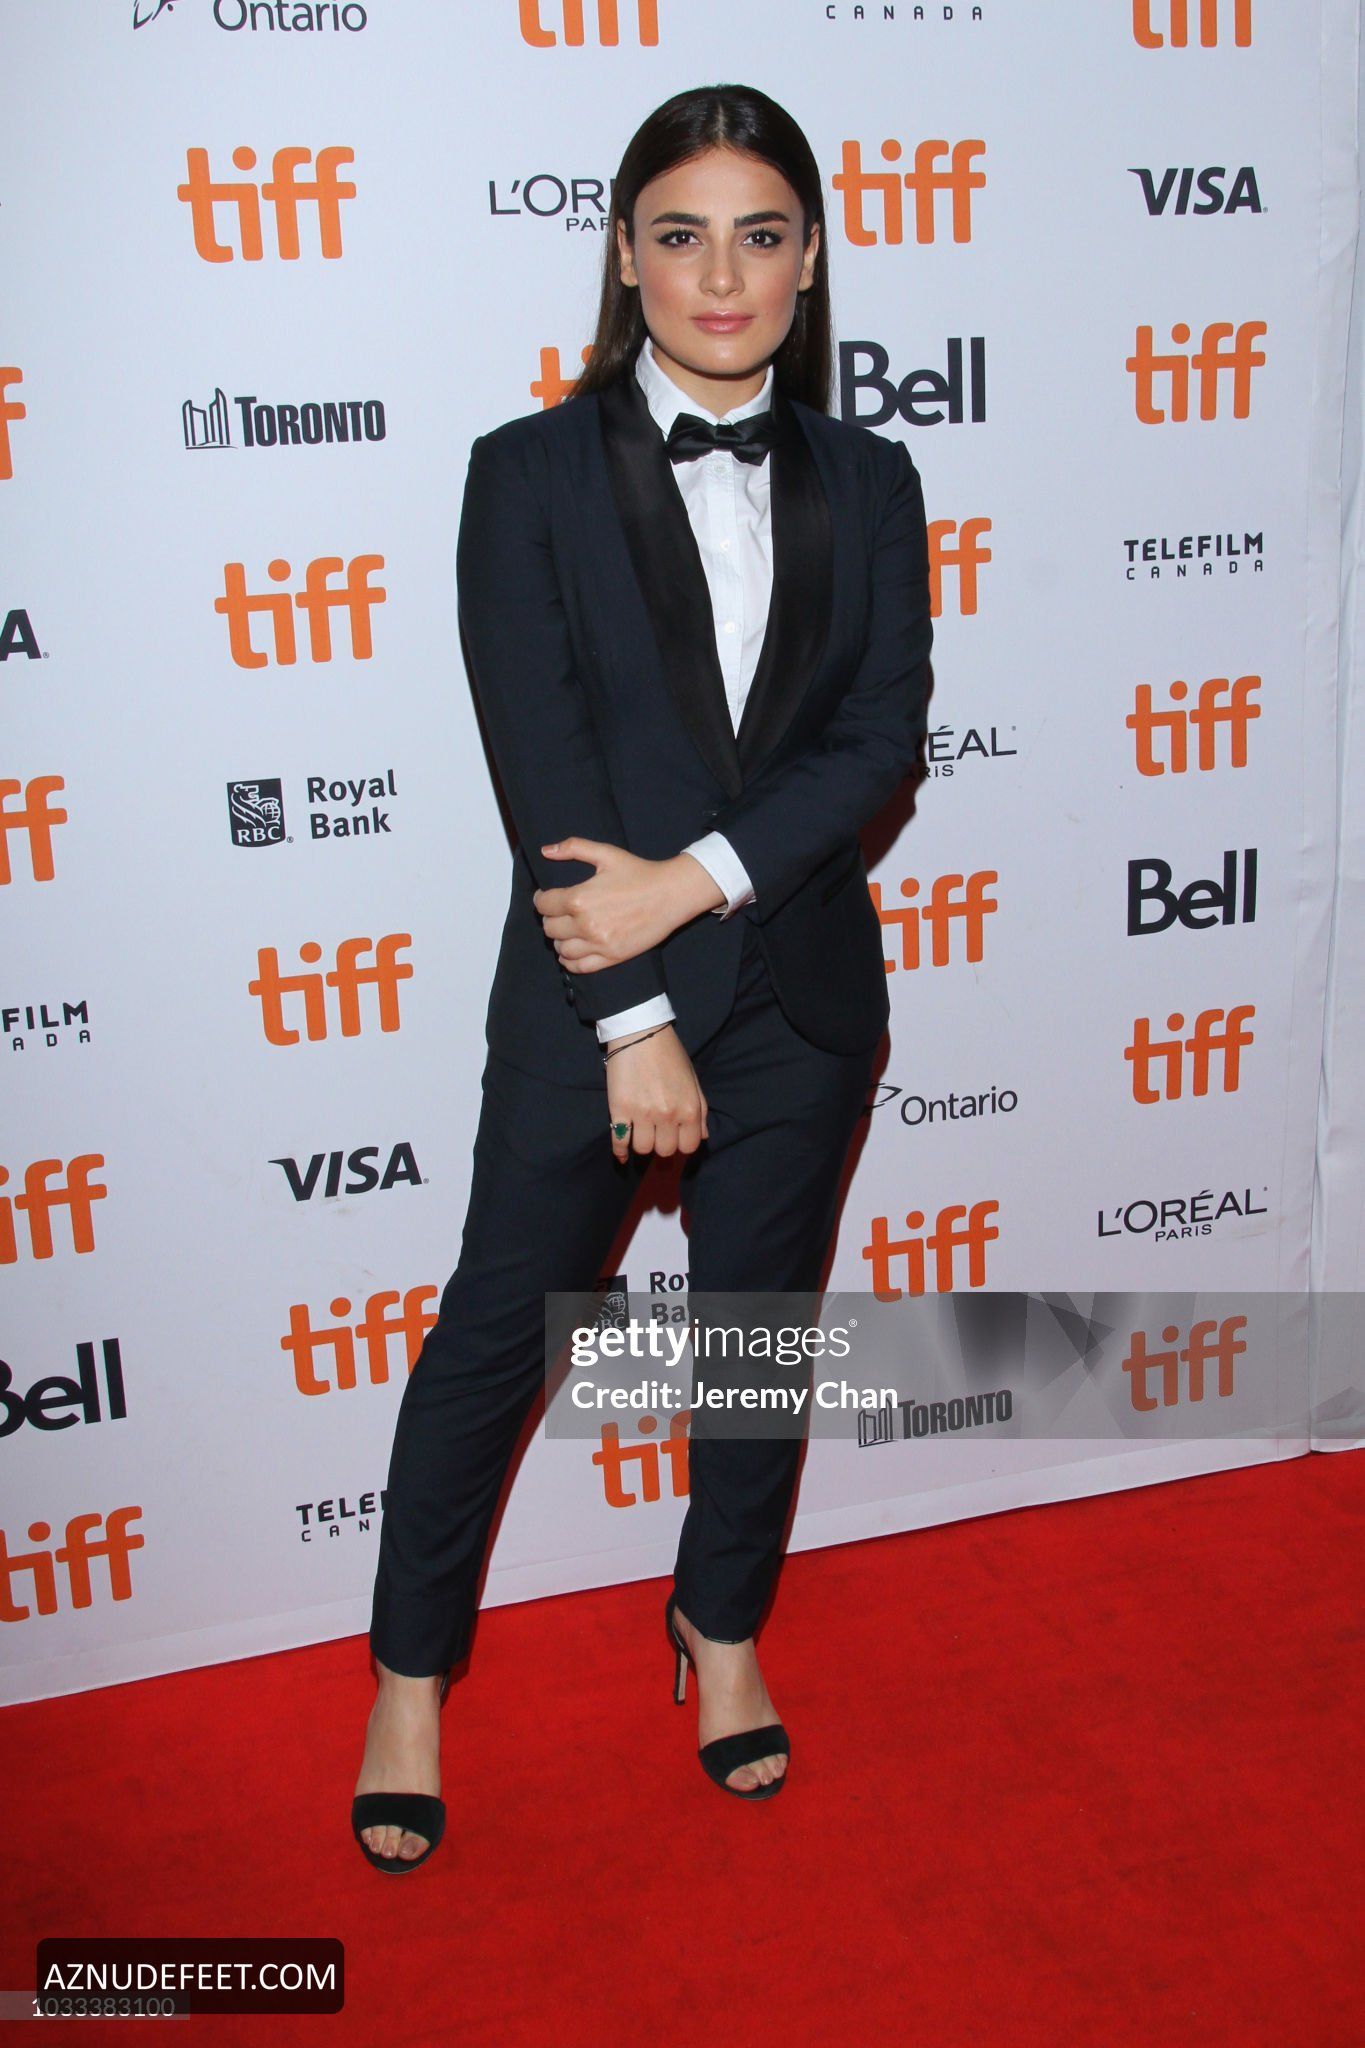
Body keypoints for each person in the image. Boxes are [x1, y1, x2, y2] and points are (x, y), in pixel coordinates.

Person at [351, 80, 932, 1872]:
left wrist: (697, 882)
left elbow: (879, 739)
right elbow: (542, 761)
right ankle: (408, 1677)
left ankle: (720, 1626)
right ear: (623, 254)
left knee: (750, 1342)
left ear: (809, 257)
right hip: (585, 998)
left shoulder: (872, 477)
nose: (721, 276)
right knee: (489, 1340)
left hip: (801, 998)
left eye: (760, 236)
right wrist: (633, 1020)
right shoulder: (525, 474)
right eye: (681, 235)